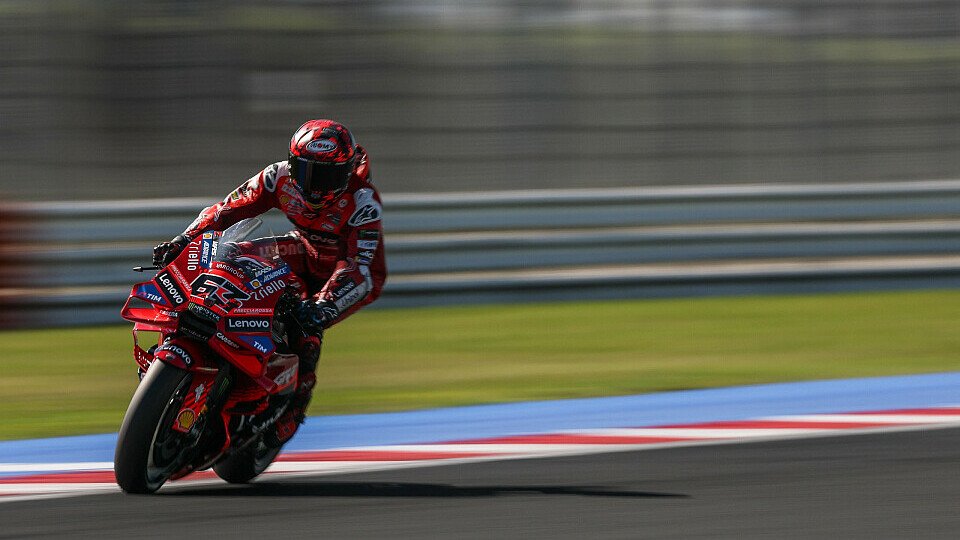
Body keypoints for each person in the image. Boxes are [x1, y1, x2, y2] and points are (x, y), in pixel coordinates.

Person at [153, 119, 387, 446]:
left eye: (327, 176)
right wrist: (185, 239)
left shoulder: (362, 201)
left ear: (346, 173)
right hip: (302, 249)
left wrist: (323, 306)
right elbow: (226, 211)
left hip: (344, 274)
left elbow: (361, 269)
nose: (315, 186)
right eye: (307, 172)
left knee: (306, 332)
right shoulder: (277, 177)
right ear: (292, 164)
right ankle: (184, 335)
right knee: (234, 255)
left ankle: (291, 411)